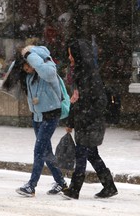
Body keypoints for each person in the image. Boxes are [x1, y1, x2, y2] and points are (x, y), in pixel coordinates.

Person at [62, 39, 118, 200]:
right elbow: (75, 99)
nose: (69, 58)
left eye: (71, 55)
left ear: (78, 55)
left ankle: (74, 189)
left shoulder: (90, 75)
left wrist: (85, 116)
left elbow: (101, 102)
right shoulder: (79, 73)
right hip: (83, 121)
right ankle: (109, 186)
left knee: (81, 154)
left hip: (90, 123)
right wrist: (71, 123)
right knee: (92, 155)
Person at [15, 45, 67, 197]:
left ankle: (31, 186)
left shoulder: (48, 67)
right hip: (37, 116)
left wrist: (31, 55)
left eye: (28, 66)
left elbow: (48, 73)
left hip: (51, 115)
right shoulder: (29, 75)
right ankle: (61, 182)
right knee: (45, 151)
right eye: (25, 67)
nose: (27, 70)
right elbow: (13, 71)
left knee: (39, 150)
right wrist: (21, 55)